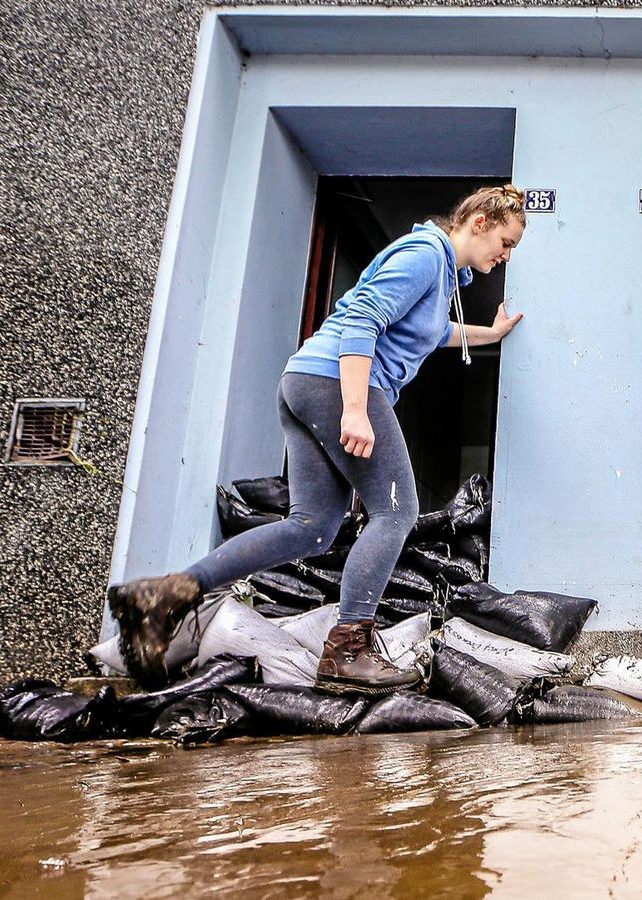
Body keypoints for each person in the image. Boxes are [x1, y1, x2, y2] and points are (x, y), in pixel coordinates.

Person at [108, 184, 528, 694]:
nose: (505, 256)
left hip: (306, 382)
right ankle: (347, 651)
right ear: (479, 222)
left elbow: (436, 334)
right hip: (338, 384)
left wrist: (491, 333)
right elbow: (363, 319)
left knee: (311, 528)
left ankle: (167, 595)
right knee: (396, 512)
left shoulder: (443, 276)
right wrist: (355, 409)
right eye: (505, 243)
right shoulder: (423, 255)